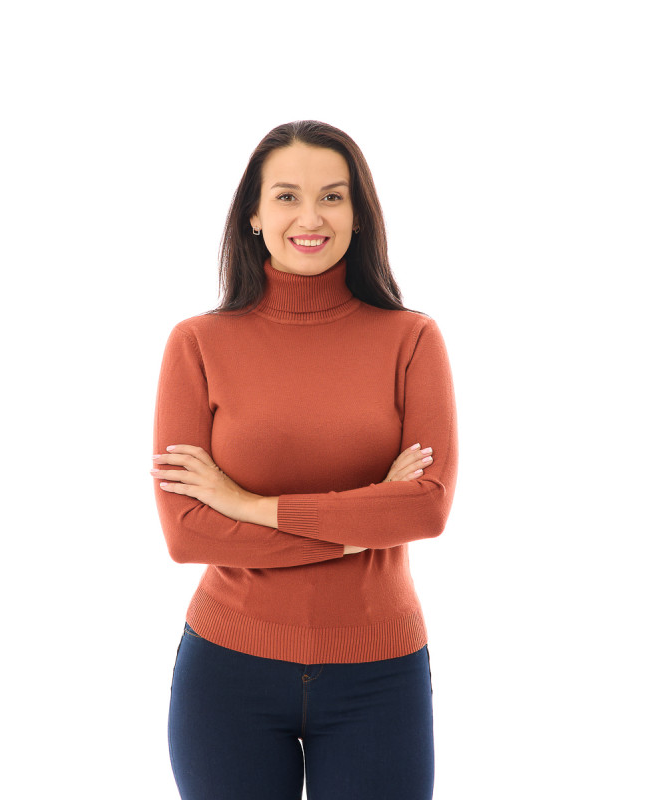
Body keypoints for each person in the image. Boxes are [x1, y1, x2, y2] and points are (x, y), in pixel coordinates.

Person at [150, 119, 458, 800]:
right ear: (254, 215)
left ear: (359, 214)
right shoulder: (197, 344)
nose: (310, 218)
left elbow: (426, 509)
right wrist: (359, 530)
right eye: (287, 196)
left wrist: (247, 506)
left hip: (380, 672)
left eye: (333, 197)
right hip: (226, 671)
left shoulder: (411, 340)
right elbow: (187, 534)